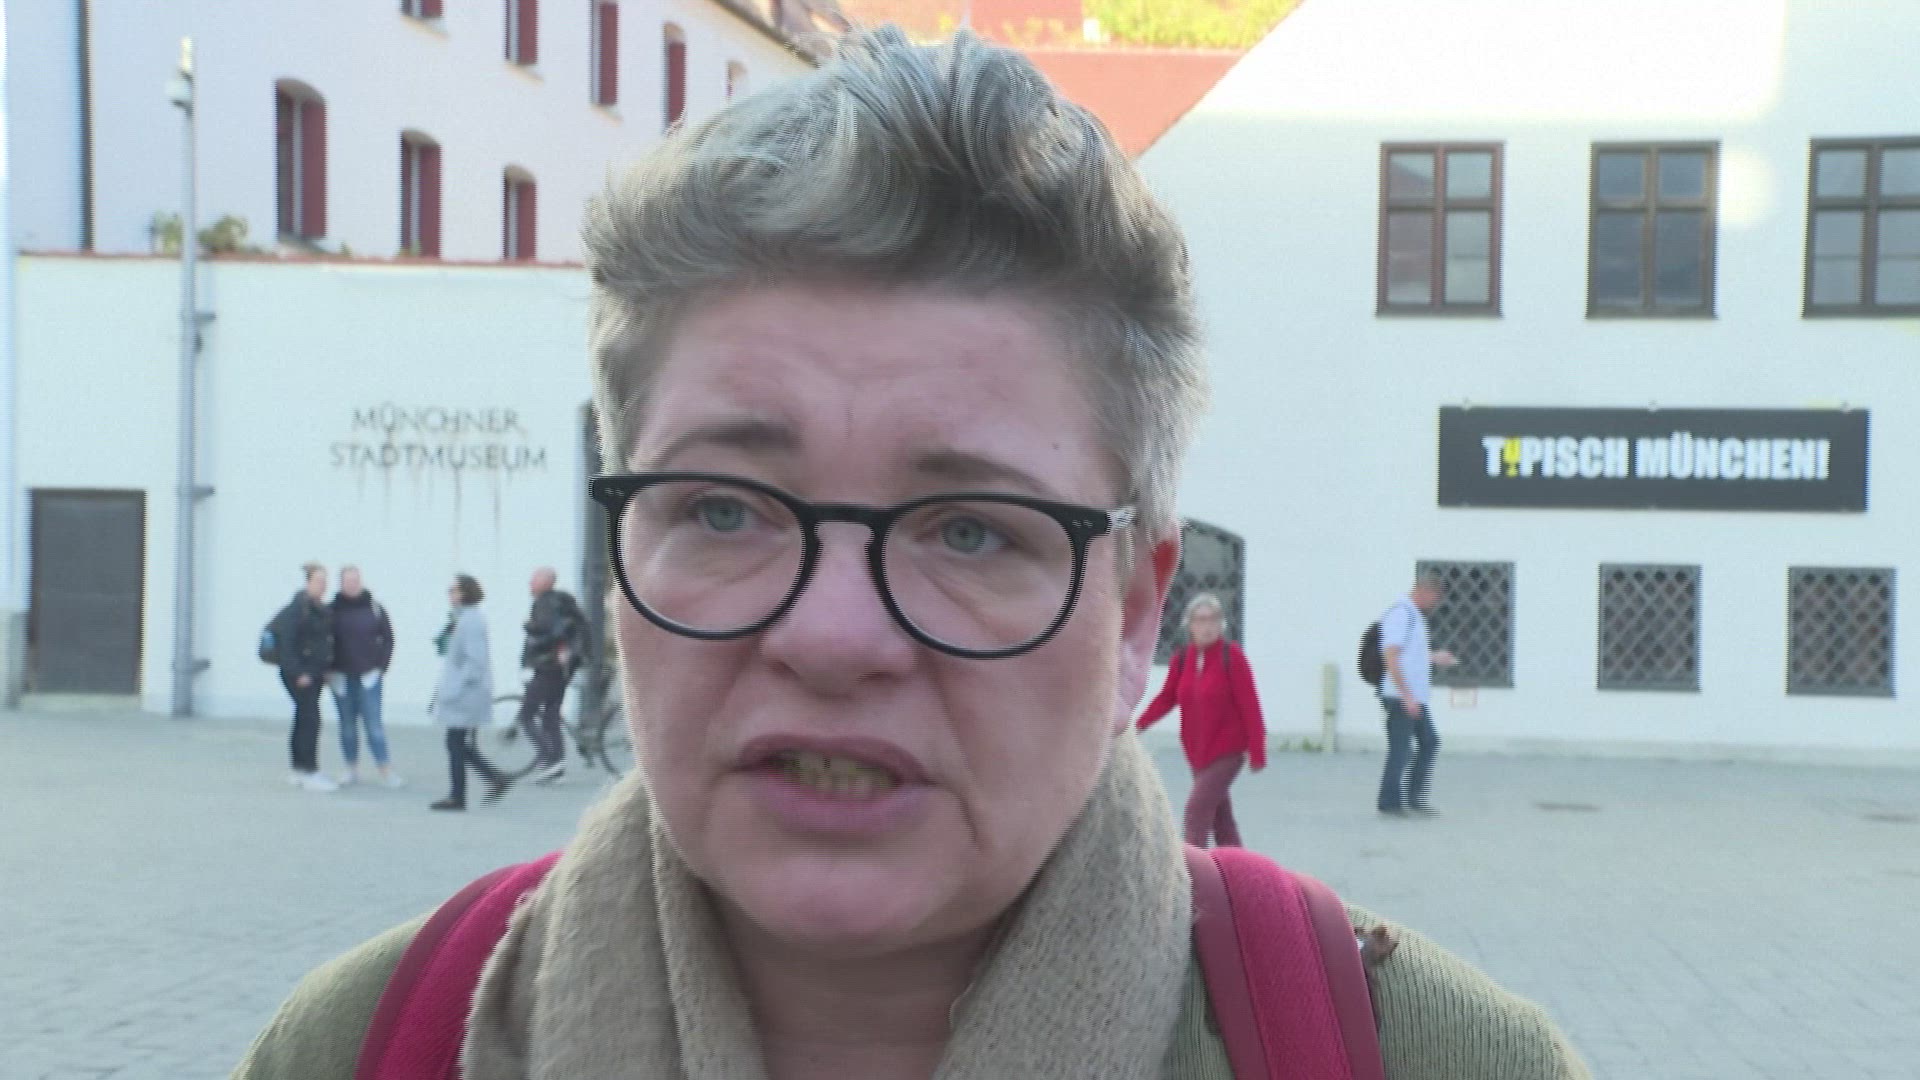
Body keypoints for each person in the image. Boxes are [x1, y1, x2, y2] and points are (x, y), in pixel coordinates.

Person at [234, 28, 1587, 1079]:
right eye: (723, 510)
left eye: (971, 530)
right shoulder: (362, 1047)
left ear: (1135, 614)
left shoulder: (1438, 1061)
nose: (832, 637)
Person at [1137, 593, 1267, 848]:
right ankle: (1236, 867)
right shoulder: (1181, 659)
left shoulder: (1232, 657)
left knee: (1196, 811)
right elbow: (1166, 698)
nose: (1207, 626)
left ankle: (1192, 868)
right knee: (1222, 820)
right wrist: (1138, 726)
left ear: (1221, 624)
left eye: (1213, 619)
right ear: (1190, 625)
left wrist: (1257, 750)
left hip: (1227, 750)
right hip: (1196, 752)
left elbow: (1250, 705)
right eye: (1201, 620)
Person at [1376, 572, 1460, 817]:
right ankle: (1390, 802)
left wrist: (1434, 657)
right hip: (1401, 696)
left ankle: (1415, 798)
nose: (1435, 604)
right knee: (1401, 749)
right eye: (1436, 598)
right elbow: (1391, 656)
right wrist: (1406, 695)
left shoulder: (1414, 616)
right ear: (1425, 591)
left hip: (1414, 696)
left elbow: (1409, 655)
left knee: (1429, 742)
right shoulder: (1401, 614)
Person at [430, 574, 509, 812]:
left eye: (453, 590)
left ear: (465, 593)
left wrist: (456, 685)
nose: (450, 594)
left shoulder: (471, 621)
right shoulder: (464, 618)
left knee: (455, 743)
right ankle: (488, 780)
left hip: (466, 695)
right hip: (464, 693)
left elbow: (476, 661)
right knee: (459, 743)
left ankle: (461, 794)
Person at [328, 566, 402, 788]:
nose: (353, 585)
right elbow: (321, 640)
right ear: (341, 584)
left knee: (374, 726)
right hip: (341, 678)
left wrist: (381, 667)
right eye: (348, 581)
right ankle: (351, 769)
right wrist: (327, 670)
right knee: (347, 727)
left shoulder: (375, 609)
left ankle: (385, 770)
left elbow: (388, 639)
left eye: (356, 580)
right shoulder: (331, 610)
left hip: (369, 678)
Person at [516, 566, 589, 784]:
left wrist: (530, 627)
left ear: (545, 582)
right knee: (551, 715)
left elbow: (550, 632)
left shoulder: (546, 603)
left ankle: (549, 756)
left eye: (533, 579)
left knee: (526, 715)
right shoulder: (562, 602)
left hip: (549, 666)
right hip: (563, 668)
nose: (529, 583)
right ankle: (556, 765)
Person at [271, 563, 336, 793]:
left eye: (325, 581)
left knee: (303, 718)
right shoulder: (297, 610)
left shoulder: (320, 609)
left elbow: (322, 643)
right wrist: (298, 673)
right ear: (308, 582)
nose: (322, 585)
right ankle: (309, 770)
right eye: (318, 581)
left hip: (314, 675)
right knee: (310, 720)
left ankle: (299, 769)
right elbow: (287, 645)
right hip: (300, 676)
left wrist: (325, 669)